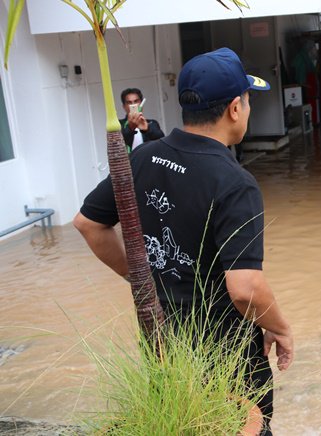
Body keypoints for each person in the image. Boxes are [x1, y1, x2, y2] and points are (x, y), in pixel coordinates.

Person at [74, 48, 293, 434]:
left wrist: (145, 279)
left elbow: (88, 224)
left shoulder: (144, 158)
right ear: (234, 109)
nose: (247, 107)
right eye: (247, 99)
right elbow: (244, 288)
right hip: (226, 354)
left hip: (161, 343)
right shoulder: (234, 182)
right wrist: (281, 327)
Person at [119, 87, 164, 151]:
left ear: (141, 104)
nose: (133, 105)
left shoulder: (152, 123)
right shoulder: (119, 124)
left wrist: (147, 129)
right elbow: (118, 143)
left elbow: (161, 141)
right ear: (124, 106)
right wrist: (130, 128)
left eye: (136, 101)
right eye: (129, 102)